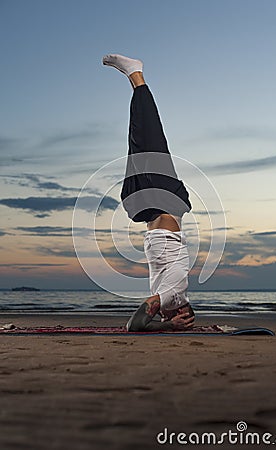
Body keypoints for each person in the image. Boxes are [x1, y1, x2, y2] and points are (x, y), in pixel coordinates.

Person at [102, 54, 195, 331]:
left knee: (136, 143)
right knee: (150, 137)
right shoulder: (174, 293)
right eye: (179, 317)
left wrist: (169, 323)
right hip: (164, 200)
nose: (164, 317)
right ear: (182, 309)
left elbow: (143, 322)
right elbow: (136, 325)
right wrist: (172, 326)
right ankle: (136, 75)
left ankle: (136, 81)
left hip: (151, 208)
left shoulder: (169, 294)